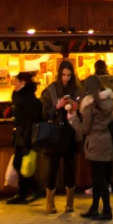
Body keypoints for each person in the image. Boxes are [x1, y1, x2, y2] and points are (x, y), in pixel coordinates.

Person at [69, 76, 113, 221]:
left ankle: (107, 210)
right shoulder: (108, 101)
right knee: (99, 178)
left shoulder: (91, 104)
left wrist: (72, 118)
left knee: (99, 179)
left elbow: (85, 128)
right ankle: (94, 208)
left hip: (95, 143)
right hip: (106, 141)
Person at [40, 60, 82, 214]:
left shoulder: (77, 90)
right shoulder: (50, 90)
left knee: (70, 169)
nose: (66, 78)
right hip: (55, 135)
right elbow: (43, 113)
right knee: (53, 168)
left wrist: (77, 108)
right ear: (59, 74)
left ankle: (69, 203)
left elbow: (84, 112)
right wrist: (57, 106)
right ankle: (50, 203)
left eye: (69, 75)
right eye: (63, 75)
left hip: (70, 133)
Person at [6, 71, 43, 205]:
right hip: (21, 134)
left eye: (16, 81)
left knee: (19, 163)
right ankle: (28, 191)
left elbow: (30, 120)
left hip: (25, 135)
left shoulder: (28, 98)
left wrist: (28, 139)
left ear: (23, 82)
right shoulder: (19, 96)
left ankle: (31, 189)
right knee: (19, 163)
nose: (13, 83)